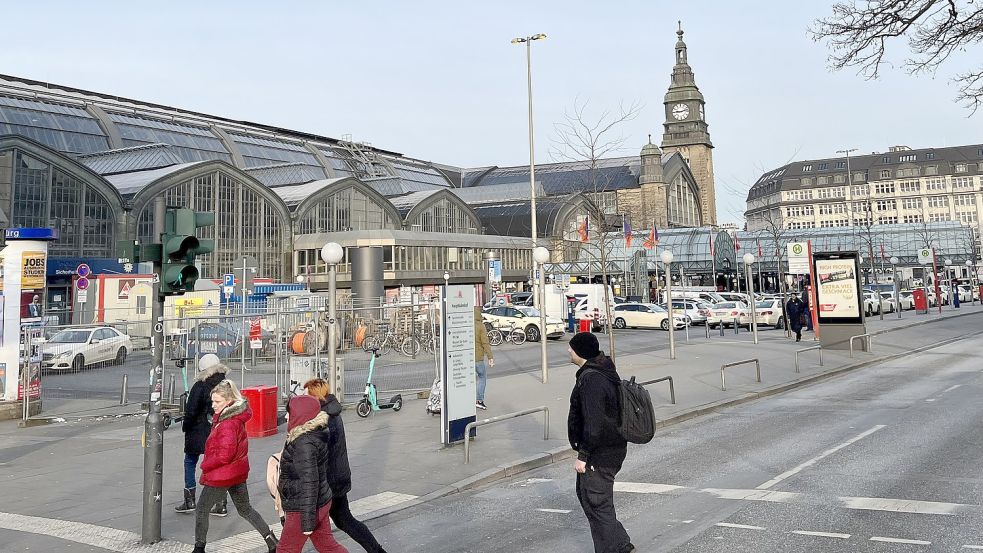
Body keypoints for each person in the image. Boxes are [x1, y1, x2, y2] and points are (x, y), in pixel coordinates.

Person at [566, 332, 635, 553]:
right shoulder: (601, 370)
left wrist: (583, 456)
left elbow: (594, 423)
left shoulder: (592, 379)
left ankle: (613, 548)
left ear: (580, 352)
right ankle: (621, 544)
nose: (568, 351)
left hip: (600, 452)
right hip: (610, 447)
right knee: (592, 499)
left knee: (596, 502)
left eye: (571, 348)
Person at [193, 380, 278, 553]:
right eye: (212, 401)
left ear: (229, 401)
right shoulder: (232, 418)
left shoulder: (228, 423)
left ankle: (199, 548)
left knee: (201, 509)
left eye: (217, 401)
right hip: (236, 473)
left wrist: (206, 464)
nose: (213, 405)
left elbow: (225, 454)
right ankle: (271, 540)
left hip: (221, 475)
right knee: (245, 509)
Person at [304, 378, 388, 553]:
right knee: (344, 520)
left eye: (306, 395)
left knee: (313, 526)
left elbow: (317, 453)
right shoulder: (331, 412)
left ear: (316, 397)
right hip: (337, 477)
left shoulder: (323, 420)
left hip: (328, 482)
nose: (303, 399)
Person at [277, 395, 348, 553]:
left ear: (301, 415)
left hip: (303, 507)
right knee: (327, 546)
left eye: (289, 412)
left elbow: (310, 483)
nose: (286, 416)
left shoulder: (304, 443)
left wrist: (307, 523)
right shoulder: (312, 434)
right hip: (319, 502)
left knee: (286, 549)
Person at [175, 354, 230, 515]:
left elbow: (191, 410)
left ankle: (190, 500)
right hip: (219, 430)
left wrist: (186, 426)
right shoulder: (226, 385)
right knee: (216, 465)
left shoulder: (200, 386)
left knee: (190, 461)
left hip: (198, 430)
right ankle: (221, 502)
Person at [474, 307, 495, 410]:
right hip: (478, 358)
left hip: (466, 358)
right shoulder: (480, 326)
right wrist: (490, 357)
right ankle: (479, 400)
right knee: (482, 377)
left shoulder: (466, 324)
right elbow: (485, 343)